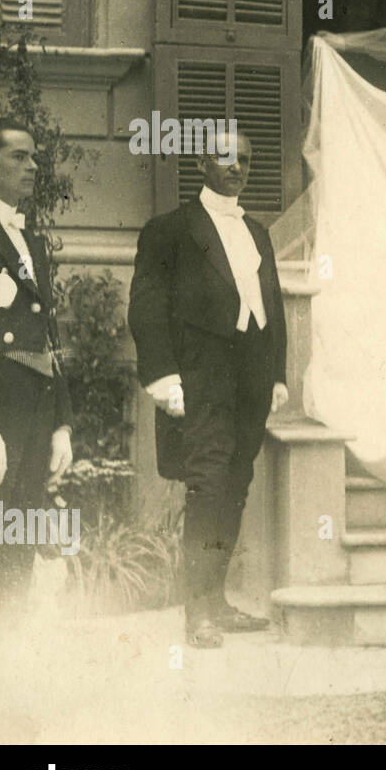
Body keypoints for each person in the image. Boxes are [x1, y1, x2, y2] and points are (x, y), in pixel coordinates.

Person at [128, 132, 288, 649]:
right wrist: (162, 376)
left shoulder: (258, 232)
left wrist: (278, 373)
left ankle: (216, 599)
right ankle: (196, 612)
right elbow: (146, 307)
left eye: (244, 157)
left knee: (236, 485)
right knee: (207, 485)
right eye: (225, 157)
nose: (236, 166)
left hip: (251, 379)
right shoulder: (169, 231)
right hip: (200, 378)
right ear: (203, 161)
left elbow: (273, 305)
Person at [0, 118, 73, 616]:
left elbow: (47, 336)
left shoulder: (28, 239)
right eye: (19, 156)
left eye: (34, 157)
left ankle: (5, 666)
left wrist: (61, 422)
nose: (33, 166)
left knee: (17, 540)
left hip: (32, 415)